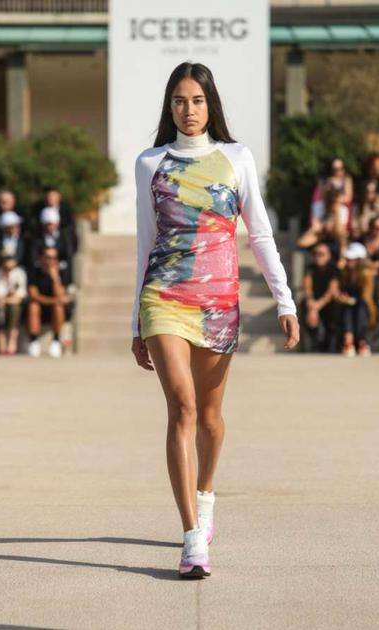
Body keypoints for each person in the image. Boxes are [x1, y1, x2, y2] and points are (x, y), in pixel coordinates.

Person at [130, 62, 300, 579]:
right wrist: (136, 322)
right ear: (169, 106)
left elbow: (261, 234)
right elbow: (145, 242)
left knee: (209, 416)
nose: (189, 110)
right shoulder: (150, 163)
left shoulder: (236, 157)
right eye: (180, 101)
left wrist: (285, 300)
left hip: (218, 301)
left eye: (198, 100)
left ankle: (206, 499)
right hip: (164, 296)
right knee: (181, 407)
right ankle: (191, 540)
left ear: (211, 104)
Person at [26, 246, 74, 358]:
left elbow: (60, 295)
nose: (51, 261)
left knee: (58, 308)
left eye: (54, 258)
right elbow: (34, 295)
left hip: (56, 310)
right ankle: (34, 340)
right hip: (40, 308)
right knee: (33, 306)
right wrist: (55, 301)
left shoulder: (62, 273)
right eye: (48, 257)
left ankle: (56, 340)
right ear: (41, 258)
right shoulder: (34, 272)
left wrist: (55, 277)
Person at [334, 242, 377, 357]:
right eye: (348, 259)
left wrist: (351, 300)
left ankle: (361, 341)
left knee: (360, 307)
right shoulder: (345, 273)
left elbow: (366, 297)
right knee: (348, 309)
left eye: (352, 259)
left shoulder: (368, 274)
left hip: (366, 308)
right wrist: (341, 297)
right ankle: (349, 340)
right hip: (349, 308)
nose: (349, 261)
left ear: (360, 260)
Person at [300, 242, 339, 352]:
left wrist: (316, 307)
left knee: (335, 306)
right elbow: (307, 289)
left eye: (321, 254)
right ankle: (314, 341)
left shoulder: (333, 269)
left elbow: (331, 291)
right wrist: (311, 304)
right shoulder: (310, 268)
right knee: (303, 304)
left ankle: (330, 342)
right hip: (314, 301)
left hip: (327, 302)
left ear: (329, 255)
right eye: (315, 254)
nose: (318, 256)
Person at [0, 248, 27, 355]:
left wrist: (5, 299)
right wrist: (4, 299)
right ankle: (2, 342)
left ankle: (12, 341)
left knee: (14, 308)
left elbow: (20, 296)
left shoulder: (19, 273)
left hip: (12, 303)